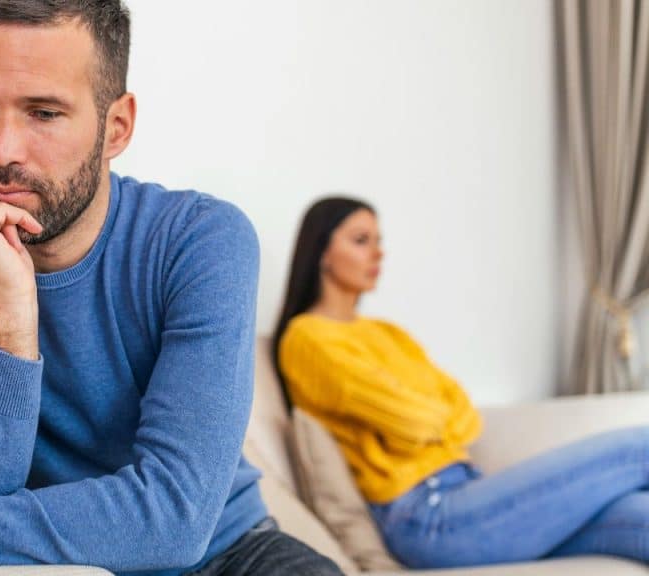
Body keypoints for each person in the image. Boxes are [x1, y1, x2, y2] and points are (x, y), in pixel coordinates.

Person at [0, 2, 345, 576]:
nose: (1, 151)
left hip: (232, 554)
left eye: (43, 113)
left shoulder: (202, 240)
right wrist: (11, 320)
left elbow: (177, 517)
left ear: (116, 127)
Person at [273, 196, 649, 569]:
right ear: (322, 251)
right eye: (361, 240)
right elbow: (416, 422)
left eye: (379, 240)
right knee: (637, 448)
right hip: (428, 517)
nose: (378, 253)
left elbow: (464, 413)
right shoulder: (306, 339)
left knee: (635, 514)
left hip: (469, 491)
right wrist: (432, 417)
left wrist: (428, 417)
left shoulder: (388, 333)